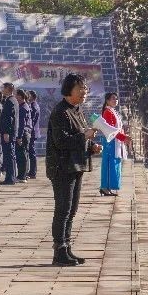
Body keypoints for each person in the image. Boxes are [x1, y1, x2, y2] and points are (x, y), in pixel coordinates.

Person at [47, 73, 99, 266]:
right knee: (63, 209)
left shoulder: (77, 110)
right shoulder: (60, 112)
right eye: (80, 88)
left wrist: (91, 146)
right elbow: (61, 141)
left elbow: (79, 136)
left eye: (85, 88)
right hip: (62, 168)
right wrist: (84, 137)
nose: (84, 92)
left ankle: (67, 247)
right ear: (69, 90)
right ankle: (58, 251)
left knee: (72, 209)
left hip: (75, 166)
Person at [95, 92, 128, 196]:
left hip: (116, 141)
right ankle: (105, 187)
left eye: (116, 99)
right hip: (110, 141)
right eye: (113, 99)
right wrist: (123, 137)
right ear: (107, 101)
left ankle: (108, 187)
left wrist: (123, 137)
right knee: (109, 164)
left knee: (115, 164)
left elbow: (118, 128)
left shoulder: (113, 111)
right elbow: (110, 130)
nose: (115, 100)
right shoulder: (107, 112)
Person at [0, 83, 19, 185]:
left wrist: (6, 132)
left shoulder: (10, 101)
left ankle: (10, 178)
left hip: (8, 133)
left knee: (9, 155)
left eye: (4, 88)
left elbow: (9, 118)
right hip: (11, 132)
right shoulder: (13, 100)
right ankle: (11, 177)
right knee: (10, 155)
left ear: (7, 89)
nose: (2, 90)